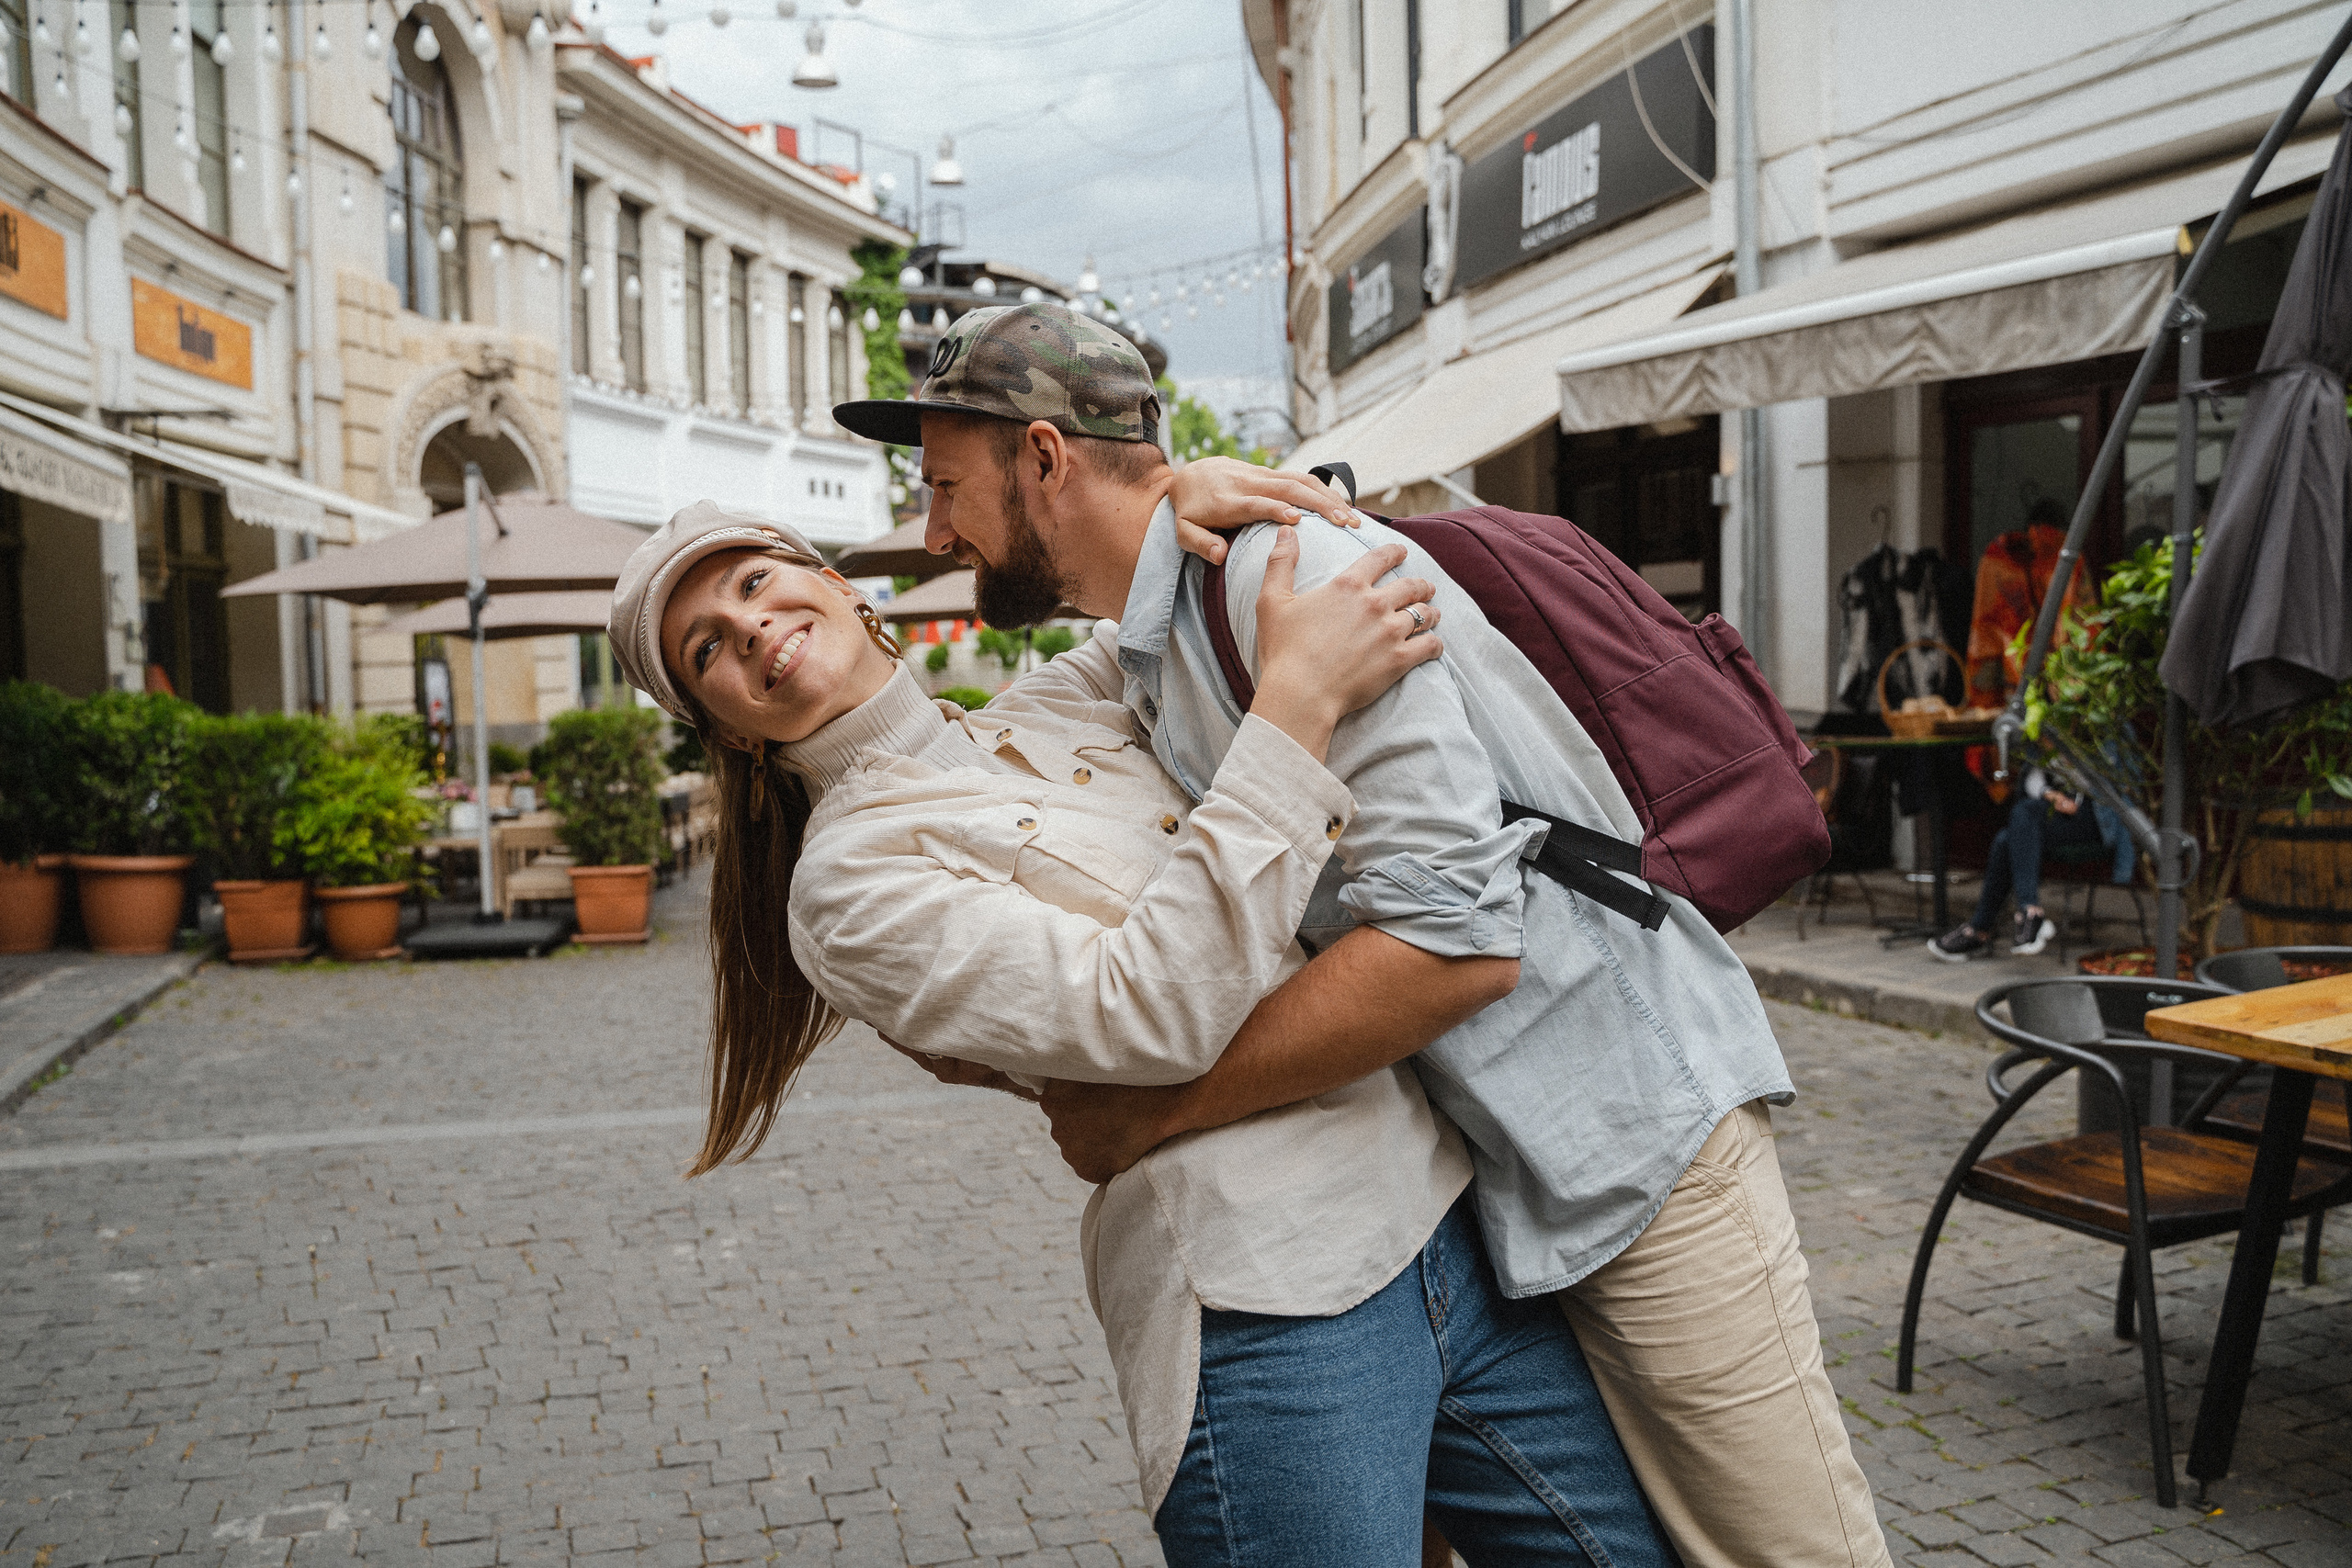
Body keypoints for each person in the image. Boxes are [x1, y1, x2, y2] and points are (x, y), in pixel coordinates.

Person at [834, 299, 1894, 1568]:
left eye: (948, 484)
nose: (939, 527)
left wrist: (1157, 1112)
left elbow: (1459, 943)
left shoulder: (1291, 585)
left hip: (1640, 1135)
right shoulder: (1167, 636)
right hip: (1519, 1172)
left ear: (1047, 458)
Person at [606, 495, 1676, 1566]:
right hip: (1263, 1296)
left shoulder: (1063, 696)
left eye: (753, 583)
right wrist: (1295, 707)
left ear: (836, 584)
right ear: (726, 728)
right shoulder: (846, 889)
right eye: (707, 647)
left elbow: (1158, 577)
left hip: (1450, 1220)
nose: (750, 626)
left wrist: (1180, 486)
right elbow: (1147, 1010)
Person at [1928, 767, 2134, 961]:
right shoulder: (2039, 737)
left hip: (2097, 820)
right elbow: (2031, 779)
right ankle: (2025, 913)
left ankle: (1983, 928)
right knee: (2007, 837)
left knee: (2017, 822)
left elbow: (2121, 785)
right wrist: (2050, 794)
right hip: (2055, 813)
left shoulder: (2099, 737)